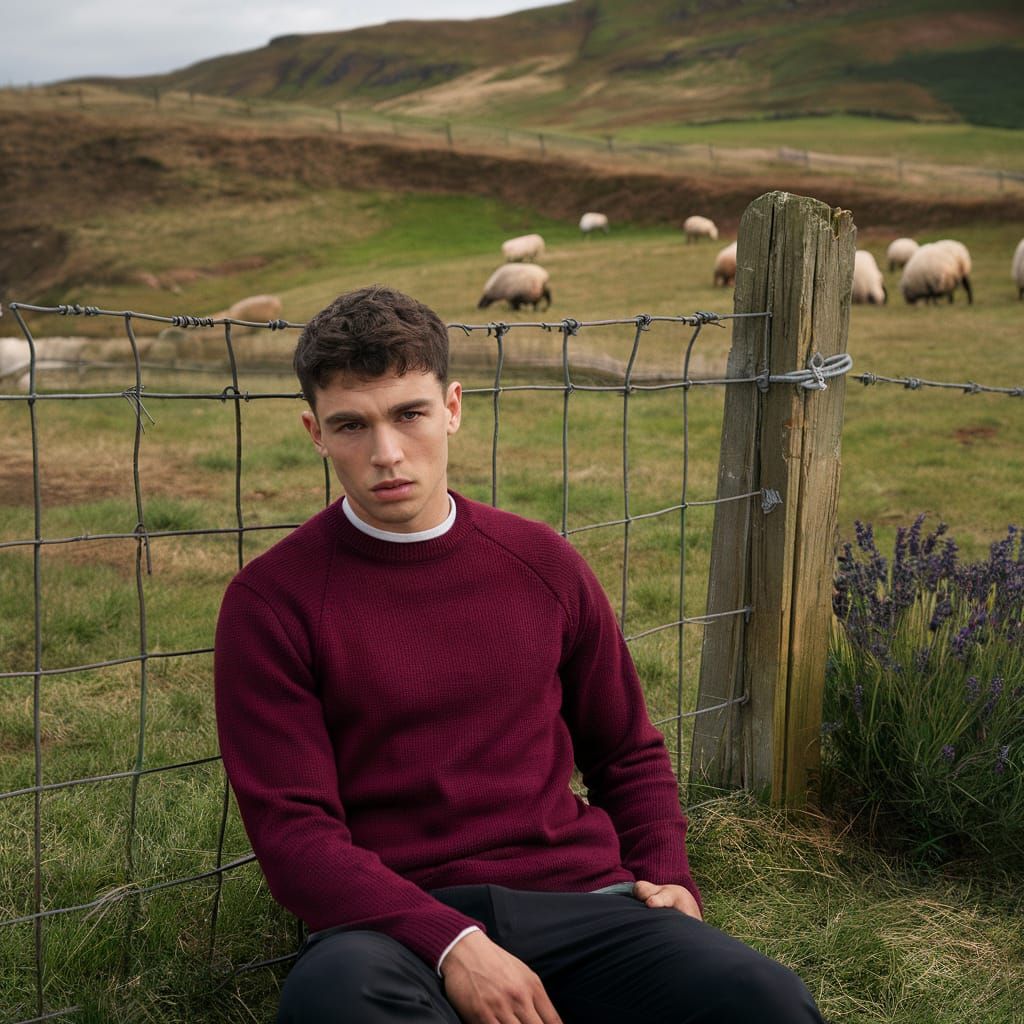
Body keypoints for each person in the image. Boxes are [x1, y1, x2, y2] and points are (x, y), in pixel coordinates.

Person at [214, 285, 824, 1024]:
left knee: (763, 999)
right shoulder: (270, 602)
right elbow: (295, 839)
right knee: (332, 1002)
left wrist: (666, 871)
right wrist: (452, 944)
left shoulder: (542, 563)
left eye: (409, 414)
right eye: (352, 425)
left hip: (581, 903)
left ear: (453, 407)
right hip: (392, 931)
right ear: (315, 431)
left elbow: (626, 751)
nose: (386, 453)